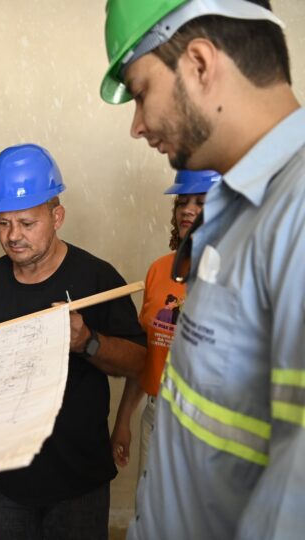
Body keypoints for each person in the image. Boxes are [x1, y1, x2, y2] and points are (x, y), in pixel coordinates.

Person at [101, 1, 305, 538]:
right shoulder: (238, 210)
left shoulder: (297, 211)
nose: (137, 125)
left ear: (198, 63)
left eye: (141, 92)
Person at [0, 143, 146, 540]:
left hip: (79, 478)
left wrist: (87, 341)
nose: (13, 236)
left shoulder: (98, 279)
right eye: (4, 223)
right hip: (5, 477)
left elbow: (139, 363)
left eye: (27, 223)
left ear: (56, 216)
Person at [110, 169, 220, 476]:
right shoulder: (159, 271)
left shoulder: (241, 273)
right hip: (158, 414)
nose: (188, 209)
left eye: (201, 202)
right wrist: (123, 421)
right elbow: (146, 354)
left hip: (214, 421)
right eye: (182, 202)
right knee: (150, 515)